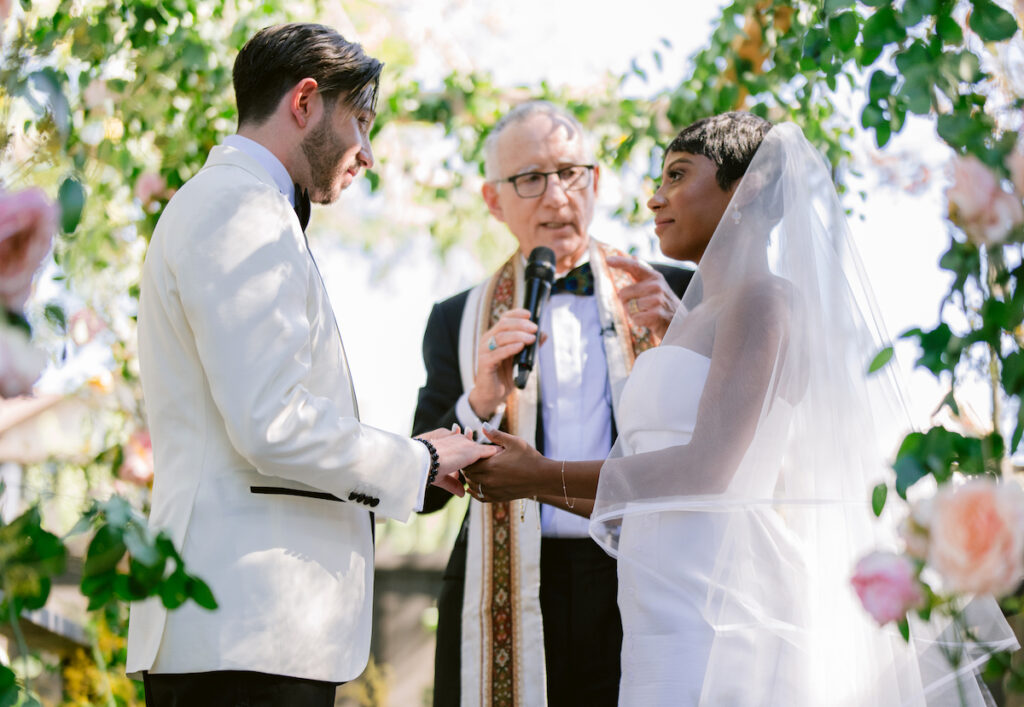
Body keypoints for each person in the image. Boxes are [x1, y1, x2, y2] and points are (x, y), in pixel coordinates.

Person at [465, 112, 1017, 705]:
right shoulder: (688, 319)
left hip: (719, 608)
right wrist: (527, 477)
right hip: (656, 606)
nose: (655, 198)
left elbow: (706, 469)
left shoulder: (765, 300)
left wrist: (540, 474)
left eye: (677, 175)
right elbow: (649, 478)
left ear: (748, 185)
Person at [124, 23, 493, 706]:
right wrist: (416, 461)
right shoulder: (239, 208)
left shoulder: (246, 207)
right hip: (243, 629)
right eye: (361, 119)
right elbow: (271, 420)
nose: (369, 153)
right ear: (305, 102)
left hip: (246, 630)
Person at [413, 100, 692, 706]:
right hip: (507, 583)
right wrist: (480, 399)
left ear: (594, 181)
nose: (557, 197)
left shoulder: (674, 292)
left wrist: (687, 339)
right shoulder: (456, 320)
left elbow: (724, 447)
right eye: (531, 179)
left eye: (570, 173)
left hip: (639, 571)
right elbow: (424, 495)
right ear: (494, 201)